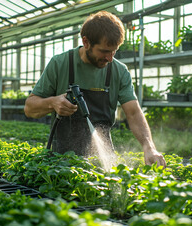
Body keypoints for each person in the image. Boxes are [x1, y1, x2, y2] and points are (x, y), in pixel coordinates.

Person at [24, 10, 166, 167]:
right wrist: (52, 103)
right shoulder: (60, 64)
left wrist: (149, 147)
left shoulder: (119, 71)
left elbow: (133, 113)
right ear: (86, 42)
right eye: (104, 51)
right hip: (60, 163)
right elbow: (30, 108)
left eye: (114, 51)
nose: (110, 58)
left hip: (103, 159)